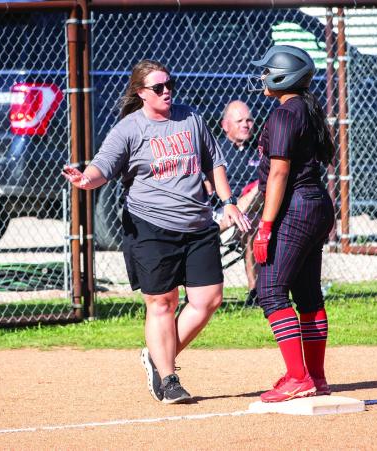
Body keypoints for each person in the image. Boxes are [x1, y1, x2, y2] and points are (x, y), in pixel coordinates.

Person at [62, 59, 250, 404]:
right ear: (141, 93)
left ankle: (155, 354)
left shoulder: (190, 118)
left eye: (169, 85)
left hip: (197, 224)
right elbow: (103, 166)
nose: (167, 92)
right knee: (163, 302)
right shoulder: (129, 128)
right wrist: (86, 179)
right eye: (158, 88)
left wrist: (229, 201)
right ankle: (169, 378)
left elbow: (214, 161)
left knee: (208, 299)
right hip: (150, 225)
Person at [249, 45, 335, 402]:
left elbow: (280, 171)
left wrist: (266, 225)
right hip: (316, 204)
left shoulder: (285, 114)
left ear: (285, 76)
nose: (263, 76)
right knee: (307, 294)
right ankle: (314, 375)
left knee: (270, 290)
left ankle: (299, 377)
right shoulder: (308, 109)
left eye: (268, 71)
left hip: (297, 208)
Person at [211, 100, 260, 307]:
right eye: (239, 120)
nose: (245, 124)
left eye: (249, 120)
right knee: (251, 219)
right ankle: (231, 220)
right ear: (225, 125)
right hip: (221, 211)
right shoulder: (216, 151)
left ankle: (255, 294)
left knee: (259, 190)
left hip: (255, 214)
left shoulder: (259, 149)